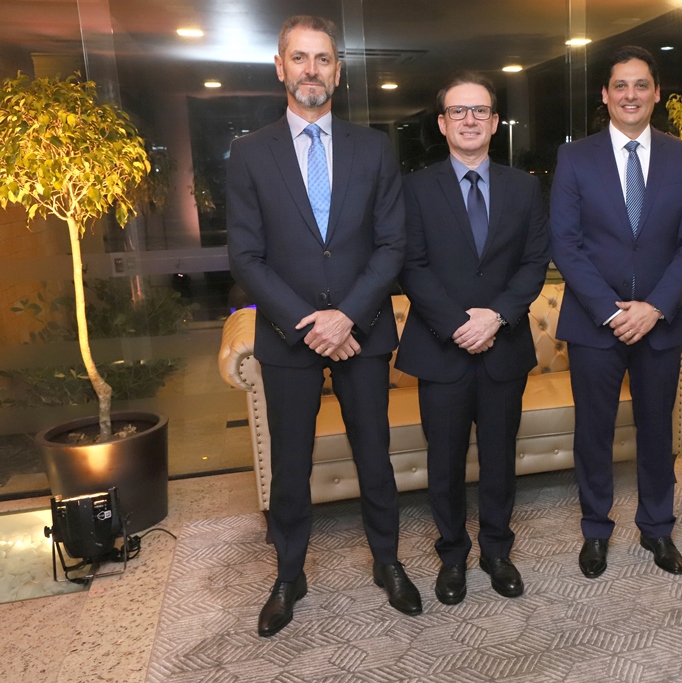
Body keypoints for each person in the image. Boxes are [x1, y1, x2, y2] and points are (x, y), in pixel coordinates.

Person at [227, 15, 421, 637]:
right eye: (300, 58)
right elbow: (246, 256)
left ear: (338, 71)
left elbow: (391, 245)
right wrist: (307, 323)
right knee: (291, 465)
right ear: (280, 67)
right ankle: (289, 574)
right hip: (289, 337)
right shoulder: (250, 153)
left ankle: (387, 561)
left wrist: (346, 317)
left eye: (323, 59)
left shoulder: (374, 147)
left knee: (375, 457)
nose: (312, 70)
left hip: (362, 330)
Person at [550, 46, 682, 579]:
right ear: (605, 94)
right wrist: (610, 311)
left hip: (660, 323)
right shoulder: (575, 157)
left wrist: (655, 307)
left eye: (641, 85)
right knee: (593, 433)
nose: (631, 95)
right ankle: (595, 530)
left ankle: (657, 527)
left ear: (656, 92)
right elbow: (566, 243)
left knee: (657, 431)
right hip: (594, 322)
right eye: (620, 85)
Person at [396, 72, 550, 604]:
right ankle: (452, 555)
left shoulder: (524, 187)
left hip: (504, 346)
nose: (469, 120)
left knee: (499, 459)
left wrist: (496, 317)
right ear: (442, 124)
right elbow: (411, 265)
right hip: (442, 348)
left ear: (495, 121)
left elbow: (534, 262)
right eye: (458, 111)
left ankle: (497, 552)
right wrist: (460, 324)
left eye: (480, 111)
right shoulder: (415, 188)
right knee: (444, 462)